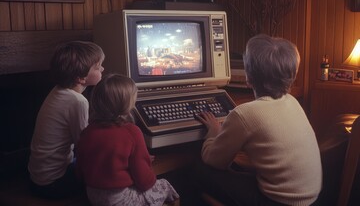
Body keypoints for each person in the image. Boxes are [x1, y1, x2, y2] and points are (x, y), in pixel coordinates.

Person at [195, 34, 322, 206]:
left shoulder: (244, 114)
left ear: (248, 78)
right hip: (312, 199)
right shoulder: (292, 102)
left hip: (278, 202)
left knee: (199, 170)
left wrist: (213, 133)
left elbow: (214, 161)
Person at [75, 74, 179, 206]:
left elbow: (81, 168)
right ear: (127, 104)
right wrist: (147, 166)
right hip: (120, 200)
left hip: (93, 195)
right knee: (165, 185)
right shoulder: (132, 132)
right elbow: (144, 181)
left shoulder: (87, 131)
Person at [28, 41, 105, 199]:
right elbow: (84, 144)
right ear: (80, 78)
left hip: (38, 178)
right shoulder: (77, 101)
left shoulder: (58, 90)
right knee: (109, 173)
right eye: (98, 67)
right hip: (54, 183)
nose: (102, 69)